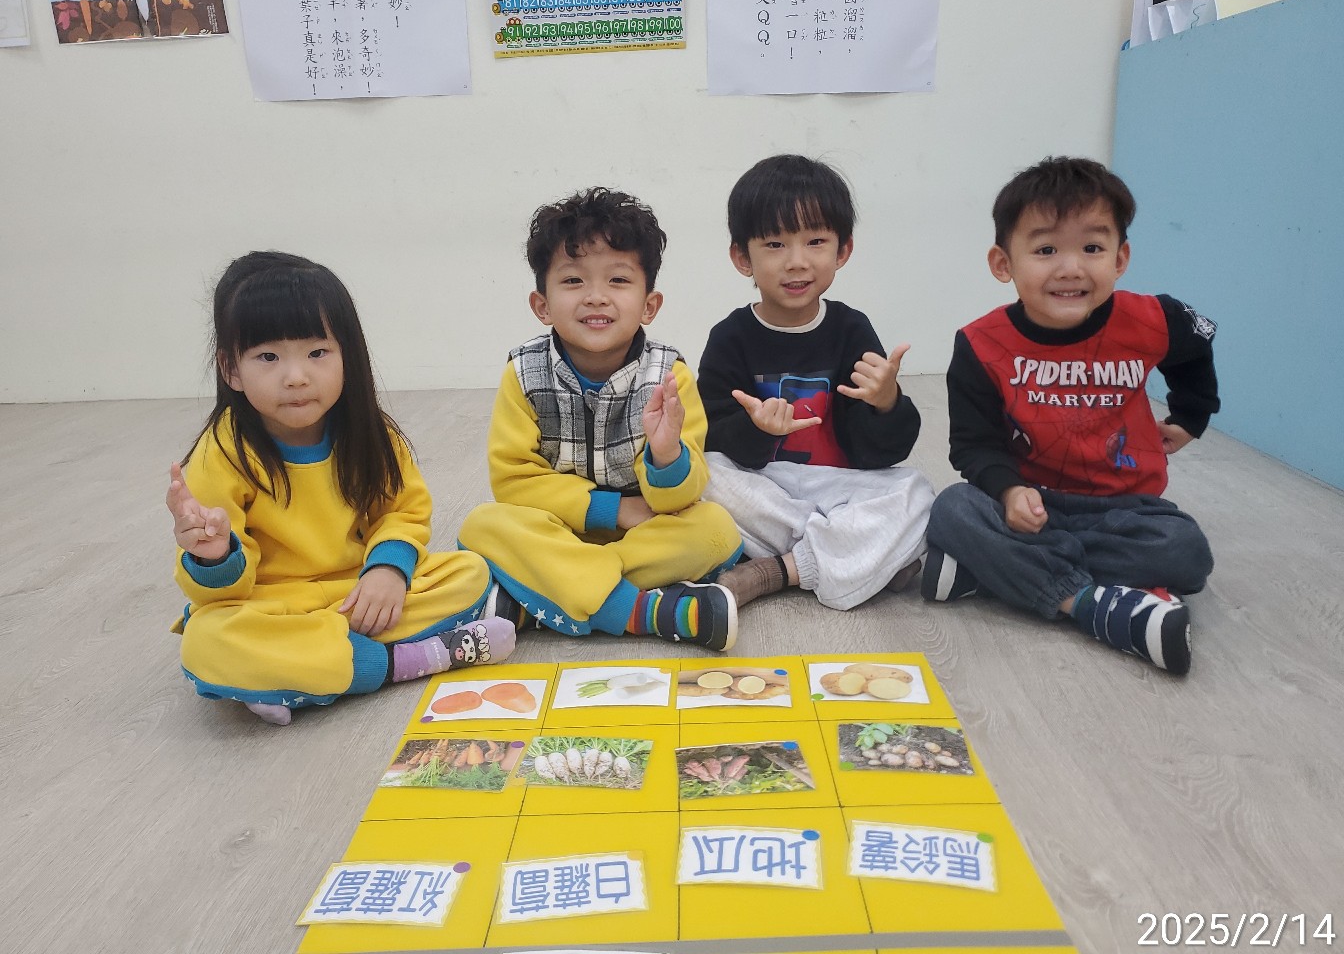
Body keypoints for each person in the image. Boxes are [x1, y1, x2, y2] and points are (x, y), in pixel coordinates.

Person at [166, 251, 517, 725]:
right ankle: (404, 661)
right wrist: (213, 555)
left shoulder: (370, 433)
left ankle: (300, 674)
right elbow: (218, 594)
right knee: (208, 639)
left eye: (317, 353)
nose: (296, 377)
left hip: (359, 590)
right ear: (231, 369)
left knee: (468, 572)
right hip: (275, 604)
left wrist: (387, 570)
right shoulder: (223, 453)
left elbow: (403, 512)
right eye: (268, 357)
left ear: (347, 355)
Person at [922, 156, 1219, 675]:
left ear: (1120, 258)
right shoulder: (980, 343)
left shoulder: (1152, 318)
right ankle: (1090, 605)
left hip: (1128, 510)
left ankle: (995, 573)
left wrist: (1190, 417)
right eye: (1045, 250)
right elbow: (973, 444)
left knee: (1186, 551)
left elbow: (1195, 349)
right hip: (1032, 506)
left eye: (1092, 248)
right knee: (952, 509)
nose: (1071, 268)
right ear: (1003, 263)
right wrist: (1009, 492)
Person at [458, 187, 744, 651]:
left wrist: (666, 454)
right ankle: (639, 609)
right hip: (556, 528)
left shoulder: (668, 375)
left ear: (649, 305)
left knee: (716, 529)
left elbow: (682, 496)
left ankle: (546, 596)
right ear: (542, 305)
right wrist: (612, 509)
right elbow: (513, 480)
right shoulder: (524, 373)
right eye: (573, 281)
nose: (596, 297)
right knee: (482, 525)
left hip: (641, 534)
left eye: (618, 280)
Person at [697, 154, 934, 611]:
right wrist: (757, 429)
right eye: (775, 244)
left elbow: (878, 454)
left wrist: (887, 402)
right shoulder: (730, 337)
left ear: (842, 251)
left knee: (916, 492)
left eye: (816, 241)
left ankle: (778, 570)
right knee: (702, 473)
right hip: (764, 484)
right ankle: (860, 553)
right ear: (742, 257)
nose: (797, 262)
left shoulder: (851, 329)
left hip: (836, 484)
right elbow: (714, 434)